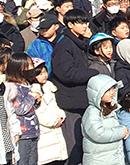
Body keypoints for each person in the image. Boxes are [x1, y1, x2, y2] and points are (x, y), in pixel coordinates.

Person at [50, 9, 99, 165]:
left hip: (81, 98)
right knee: (74, 144)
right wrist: (91, 73)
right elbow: (65, 73)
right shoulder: (64, 44)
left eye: (86, 22)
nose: (85, 26)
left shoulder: (79, 42)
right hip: (71, 100)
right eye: (80, 23)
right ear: (70, 24)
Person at [81, 75, 127, 165]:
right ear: (97, 93)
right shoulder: (92, 112)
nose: (112, 93)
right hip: (98, 160)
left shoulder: (112, 109)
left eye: (113, 89)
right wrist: (121, 132)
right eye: (107, 91)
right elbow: (98, 134)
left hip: (113, 158)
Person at [29, 59, 68, 165]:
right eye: (40, 74)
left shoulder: (50, 87)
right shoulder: (33, 91)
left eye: (45, 72)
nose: (44, 76)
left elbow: (56, 105)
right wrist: (54, 121)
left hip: (56, 127)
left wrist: (60, 116)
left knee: (58, 157)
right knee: (48, 157)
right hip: (45, 130)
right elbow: (39, 113)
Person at [6, 53, 41, 165]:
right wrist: (32, 97)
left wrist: (36, 102)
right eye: (28, 65)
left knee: (33, 161)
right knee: (22, 161)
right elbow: (19, 109)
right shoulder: (12, 87)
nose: (31, 68)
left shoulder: (26, 84)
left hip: (32, 131)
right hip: (22, 134)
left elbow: (30, 108)